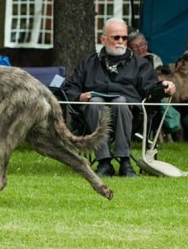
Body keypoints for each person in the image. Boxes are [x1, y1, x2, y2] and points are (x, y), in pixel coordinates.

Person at [63, 18, 176, 178]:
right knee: (96, 102)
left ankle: (125, 162)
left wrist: (164, 86)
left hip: (131, 115)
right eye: (116, 37)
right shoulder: (88, 63)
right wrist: (80, 96)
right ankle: (104, 163)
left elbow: (151, 89)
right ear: (103, 39)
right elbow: (69, 89)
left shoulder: (140, 64)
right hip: (93, 112)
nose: (121, 42)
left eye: (124, 38)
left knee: (120, 101)